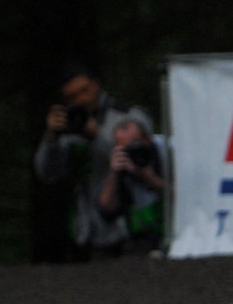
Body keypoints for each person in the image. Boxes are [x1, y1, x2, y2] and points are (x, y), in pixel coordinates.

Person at [34, 66, 153, 259]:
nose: (81, 99)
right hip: (87, 230)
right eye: (72, 97)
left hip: (129, 226)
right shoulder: (69, 125)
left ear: (97, 85)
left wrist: (96, 135)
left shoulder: (128, 116)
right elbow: (46, 173)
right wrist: (51, 138)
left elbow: (138, 162)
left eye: (85, 90)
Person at [98, 115, 168, 254]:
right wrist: (114, 174)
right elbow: (106, 211)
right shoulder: (119, 164)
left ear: (147, 140)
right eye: (125, 150)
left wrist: (148, 177)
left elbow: (184, 196)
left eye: (135, 146)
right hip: (140, 242)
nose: (131, 154)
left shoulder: (166, 151)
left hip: (173, 234)